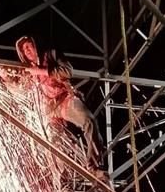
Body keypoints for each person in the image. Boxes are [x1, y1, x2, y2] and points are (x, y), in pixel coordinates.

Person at [14, 36, 105, 174]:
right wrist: (4, 77)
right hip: (49, 111)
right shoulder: (25, 71)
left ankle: (95, 167)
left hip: (64, 100)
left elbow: (67, 71)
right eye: (23, 49)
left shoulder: (51, 55)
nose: (26, 50)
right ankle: (64, 188)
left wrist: (40, 71)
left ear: (35, 46)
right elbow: (19, 91)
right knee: (52, 144)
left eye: (28, 46)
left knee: (89, 120)